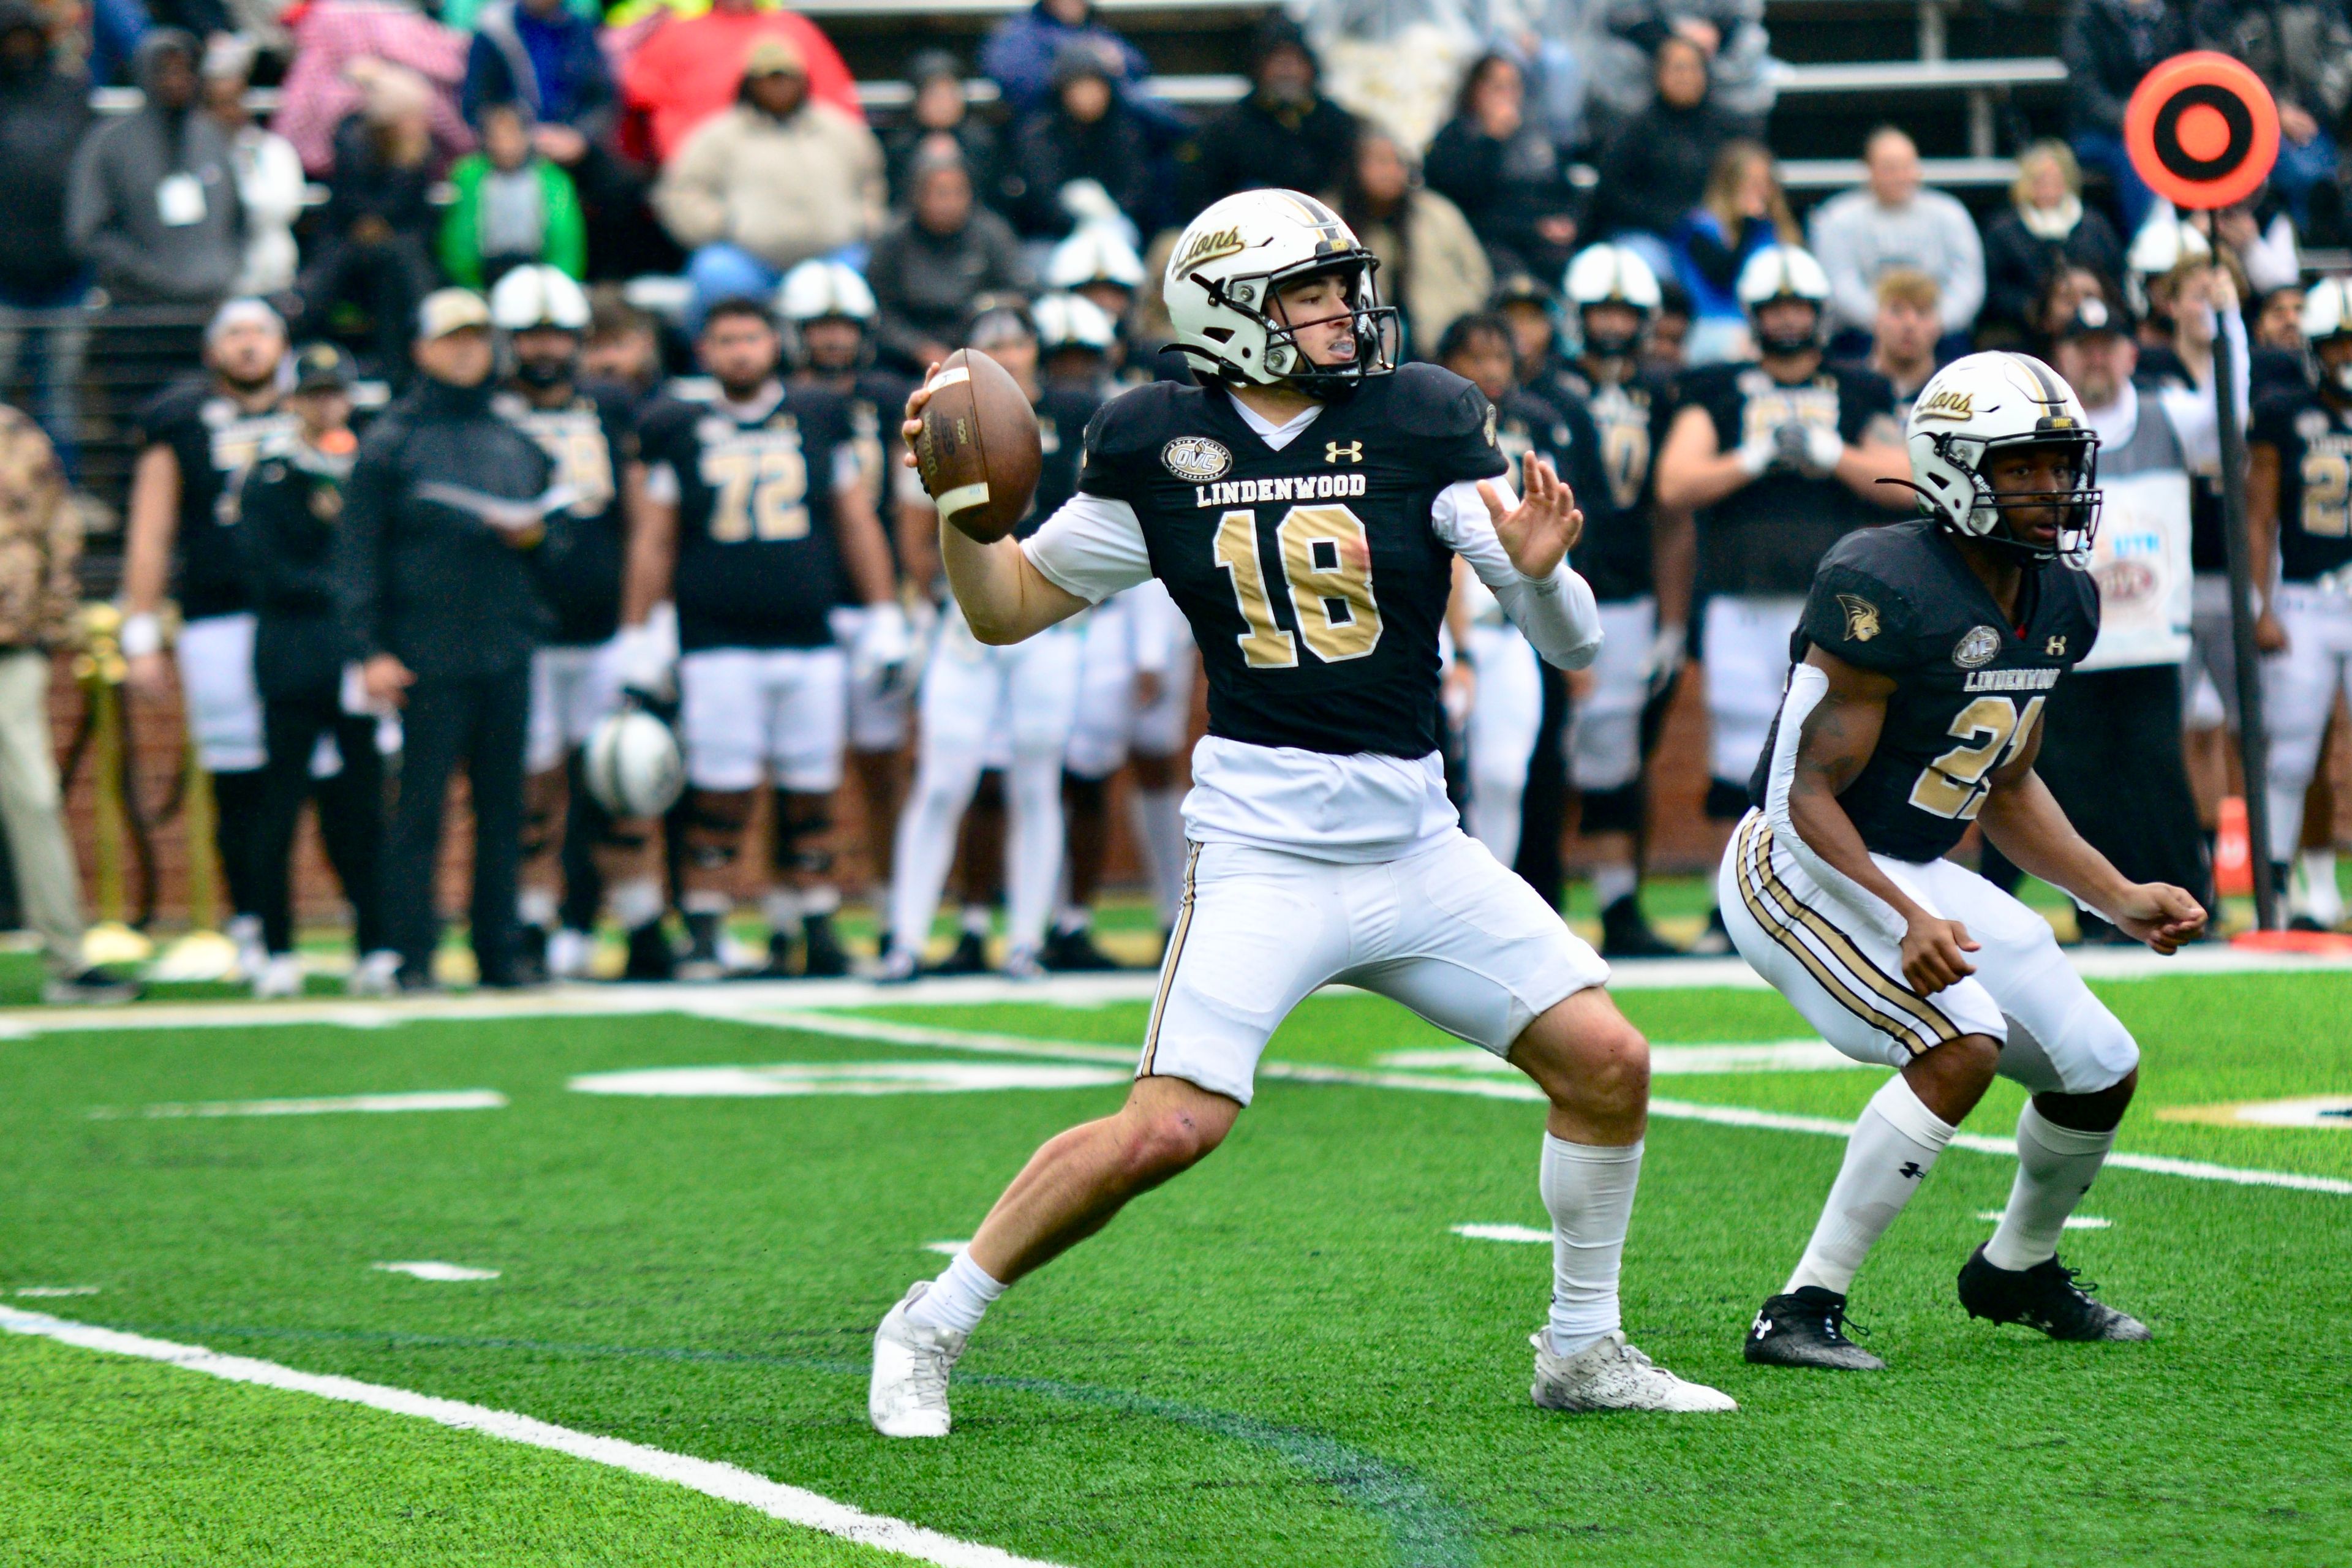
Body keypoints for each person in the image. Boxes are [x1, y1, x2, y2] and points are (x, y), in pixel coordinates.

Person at [869, 189, 1735, 1439]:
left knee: (1609, 1062)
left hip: (1416, 845)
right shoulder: (1154, 442)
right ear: (1229, 312)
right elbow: (1002, 607)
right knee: (1167, 1127)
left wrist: (1540, 579)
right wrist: (961, 514)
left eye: (1342, 285)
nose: (1342, 311)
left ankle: (1584, 1343)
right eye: (1309, 292)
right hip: (1265, 850)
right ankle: (930, 1320)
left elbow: (1575, 638)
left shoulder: (1420, 417)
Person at [1729, 349, 2203, 1370]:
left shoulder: (2063, 597)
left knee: (2099, 1069)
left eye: (2060, 465)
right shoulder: (1883, 581)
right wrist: (1906, 913)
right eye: (2023, 467)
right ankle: (1801, 1307)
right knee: (1964, 1040)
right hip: (1794, 860)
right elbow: (1800, 791)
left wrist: (2116, 894)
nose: (2053, 490)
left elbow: (2008, 780)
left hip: (1910, 865)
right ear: (1953, 467)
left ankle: (2016, 1269)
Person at [620, 296, 906, 979]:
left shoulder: (816, 413)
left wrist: (883, 610)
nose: (740, 350)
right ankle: (705, 926)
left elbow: (855, 520)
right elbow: (655, 538)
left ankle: (816, 923)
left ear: (772, 344)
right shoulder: (677, 424)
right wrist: (641, 630)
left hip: (807, 635)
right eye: (725, 339)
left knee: (813, 790)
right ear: (705, 352)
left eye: (750, 337)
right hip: (716, 638)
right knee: (722, 793)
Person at [1653, 245, 1910, 952]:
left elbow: (1909, 477)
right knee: (1741, 750)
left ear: (1821, 314)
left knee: (1835, 751)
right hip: (1741, 596)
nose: (1791, 319)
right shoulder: (1721, 386)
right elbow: (1675, 482)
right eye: (1778, 307)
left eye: (1801, 306)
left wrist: (1836, 456)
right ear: (1756, 317)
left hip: (1834, 608)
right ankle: (1727, 902)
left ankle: (1834, 900)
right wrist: (1753, 457)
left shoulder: (1857, 389)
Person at [335, 288, 560, 991]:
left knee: (503, 811)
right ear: (422, 349)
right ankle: (412, 953)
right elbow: (357, 554)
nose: (467, 351)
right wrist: (369, 647)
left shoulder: (516, 440)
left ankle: (498, 950)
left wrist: (537, 537)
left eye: (477, 338)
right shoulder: (391, 441)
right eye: (453, 339)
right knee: (419, 812)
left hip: (504, 648)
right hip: (424, 653)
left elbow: (556, 549)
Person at [877, 303, 1096, 982]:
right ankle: (905, 939)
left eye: (1018, 339)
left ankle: (1025, 940)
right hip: (966, 623)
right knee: (944, 777)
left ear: (1038, 348)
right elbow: (915, 536)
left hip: (1051, 613)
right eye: (993, 340)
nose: (1010, 351)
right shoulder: (943, 413)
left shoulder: (1077, 417)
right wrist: (938, 599)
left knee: (1037, 779)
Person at [486, 265, 670, 982]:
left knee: (621, 788)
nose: (542, 348)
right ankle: (530, 927)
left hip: (599, 631)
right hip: (521, 637)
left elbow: (642, 522)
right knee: (531, 797)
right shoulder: (488, 412)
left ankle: (644, 923)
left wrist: (638, 627)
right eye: (528, 334)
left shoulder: (610, 406)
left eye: (554, 334)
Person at [121, 298, 295, 981]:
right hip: (220, 616)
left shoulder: (320, 405)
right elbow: (151, 528)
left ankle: (373, 927)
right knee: (238, 775)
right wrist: (140, 628)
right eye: (235, 335)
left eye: (260, 332)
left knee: (335, 773)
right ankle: (251, 916)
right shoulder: (182, 420)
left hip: (308, 618)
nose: (248, 346)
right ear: (211, 351)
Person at [236, 343, 396, 1000]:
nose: (325, 405)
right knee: (279, 805)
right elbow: (270, 569)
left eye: (335, 393)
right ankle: (276, 945)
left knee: (360, 807)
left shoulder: (369, 467)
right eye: (314, 393)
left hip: (352, 659)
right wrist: (347, 588)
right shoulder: (272, 473)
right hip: (295, 656)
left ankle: (378, 942)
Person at [777, 258, 929, 925]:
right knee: (798, 768)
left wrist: (904, 599)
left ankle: (892, 900)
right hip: (803, 595)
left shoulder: (891, 396)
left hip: (876, 599)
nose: (833, 339)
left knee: (880, 762)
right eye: (819, 327)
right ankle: (799, 908)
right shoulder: (775, 401)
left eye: (843, 326)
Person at [1550, 244, 1684, 957]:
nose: (1609, 326)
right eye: (1598, 311)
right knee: (1542, 757)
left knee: (1613, 757)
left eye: (1622, 313)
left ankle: (1618, 907)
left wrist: (1674, 617)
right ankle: (1537, 900)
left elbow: (1670, 517)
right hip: (1551, 586)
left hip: (1628, 593)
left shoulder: (1663, 393)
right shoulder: (1549, 389)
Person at [1439, 311, 1604, 879]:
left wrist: (1564, 613)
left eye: (1499, 358)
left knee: (1506, 774)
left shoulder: (1536, 427)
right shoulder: (1432, 425)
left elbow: (1560, 533)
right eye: (1474, 357)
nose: (1488, 371)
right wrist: (1457, 650)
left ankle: (1491, 897)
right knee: (1442, 777)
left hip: (1513, 625)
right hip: (1447, 622)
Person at [0, 406, 137, 1003]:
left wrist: (50, 614)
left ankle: (68, 958)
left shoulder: (16, 435)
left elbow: (61, 527)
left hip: (11, 646)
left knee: (33, 796)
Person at [654, 36, 887, 336]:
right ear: (750, 84)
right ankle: (706, 365)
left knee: (874, 268)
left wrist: (863, 219)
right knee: (713, 272)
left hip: (833, 257)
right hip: (749, 262)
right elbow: (682, 192)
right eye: (768, 79)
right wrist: (720, 225)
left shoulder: (840, 131)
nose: (779, 86)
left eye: (786, 78)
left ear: (803, 80)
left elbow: (873, 181)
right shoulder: (717, 136)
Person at [2247, 276, 2352, 921]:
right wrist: (2263, 605)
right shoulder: (2285, 412)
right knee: (2291, 752)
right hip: (2306, 600)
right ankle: (2284, 891)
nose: (2346, 356)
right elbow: (2260, 517)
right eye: (2337, 344)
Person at [67, 30, 246, 308]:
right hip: (139, 305)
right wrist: (145, 271)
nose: (176, 82)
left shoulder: (212, 135)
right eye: (165, 72)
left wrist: (226, 264)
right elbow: (88, 229)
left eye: (184, 71)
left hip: (212, 298)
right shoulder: (110, 143)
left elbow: (239, 216)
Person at [296, 64, 441, 379]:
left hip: (396, 243)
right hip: (348, 237)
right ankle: (302, 344)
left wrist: (405, 167)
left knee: (404, 268)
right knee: (323, 279)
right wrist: (372, 222)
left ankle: (414, 355)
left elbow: (414, 210)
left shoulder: (419, 149)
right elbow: (347, 199)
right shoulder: (352, 135)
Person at [0, 0, 96, 467]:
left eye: (27, 37)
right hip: (4, 277)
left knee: (59, 397)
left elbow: (94, 174)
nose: (19, 48)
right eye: (9, 38)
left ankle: (67, 494)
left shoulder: (71, 91)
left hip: (66, 272)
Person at [1806, 127, 1985, 358]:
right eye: (1889, 168)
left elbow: (1968, 282)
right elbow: (1838, 284)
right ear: (1869, 169)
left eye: (1906, 166)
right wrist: (1885, 322)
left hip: (1939, 332)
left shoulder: (1951, 213)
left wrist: (1936, 321)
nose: (1899, 176)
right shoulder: (1837, 217)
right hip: (1864, 333)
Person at [619, 0, 860, 166]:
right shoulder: (673, 37)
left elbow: (841, 117)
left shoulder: (795, 31)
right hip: (705, 183)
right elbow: (637, 114)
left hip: (793, 176)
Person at [1330, 127, 1491, 363]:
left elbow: (1478, 276)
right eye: (1381, 162)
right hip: (1359, 354)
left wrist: (1461, 326)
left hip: (1442, 347)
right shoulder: (1329, 220)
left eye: (1399, 162)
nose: (1391, 171)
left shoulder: (1439, 214)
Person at [1176, 15, 1359, 216]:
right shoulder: (1228, 127)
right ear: (1258, 67)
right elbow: (1197, 189)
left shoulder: (1338, 123)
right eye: (1278, 61)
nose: (1287, 71)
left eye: (1295, 61)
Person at [867, 152, 1030, 375]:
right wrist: (918, 348)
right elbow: (879, 310)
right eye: (941, 193)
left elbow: (1015, 297)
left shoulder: (992, 236)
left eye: (959, 193)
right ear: (917, 195)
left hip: (984, 353)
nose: (950, 203)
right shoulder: (893, 241)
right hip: (908, 360)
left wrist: (983, 348)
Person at [1423, 51, 1581, 281]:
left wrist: (1569, 220)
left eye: (1513, 87)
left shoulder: (1536, 135)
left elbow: (1563, 186)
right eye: (1498, 88)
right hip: (1490, 241)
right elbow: (1467, 199)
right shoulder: (1457, 138)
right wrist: (1492, 141)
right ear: (1476, 91)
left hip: (1546, 240)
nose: (1507, 96)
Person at [1588, 37, 1738, 263]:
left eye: (1693, 68)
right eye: (1678, 69)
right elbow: (1613, 196)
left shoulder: (1729, 129)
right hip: (1649, 234)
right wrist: (1673, 222)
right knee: (1642, 263)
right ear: (1659, 74)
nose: (1686, 77)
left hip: (1712, 231)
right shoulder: (1634, 131)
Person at [1980, 141, 2127, 352]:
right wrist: (2036, 309)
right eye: (2040, 181)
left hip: (2093, 325)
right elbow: (1996, 290)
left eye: (2056, 181)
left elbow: (2115, 275)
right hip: (2025, 331)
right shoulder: (2003, 230)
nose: (2048, 188)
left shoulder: (2094, 225)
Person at [2062, 0, 2193, 235]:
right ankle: (2149, 244)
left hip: (2163, 126)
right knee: (2136, 156)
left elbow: (2187, 74)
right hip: (2103, 132)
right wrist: (2132, 118)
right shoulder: (2087, 16)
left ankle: (2199, 233)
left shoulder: (2171, 16)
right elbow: (2085, 89)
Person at [1006, 38, 1156, 242]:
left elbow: (1137, 191)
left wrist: (1108, 215)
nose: (1091, 96)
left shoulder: (1125, 131)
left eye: (1097, 86)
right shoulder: (1039, 134)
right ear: (1063, 91)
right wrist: (1079, 223)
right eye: (1081, 87)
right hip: (1052, 236)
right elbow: (1041, 198)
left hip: (1116, 229)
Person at [1665, 139, 1796, 365]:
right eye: (1751, 184)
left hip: (1770, 324)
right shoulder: (1700, 228)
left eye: (1765, 183)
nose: (1761, 193)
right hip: (1714, 325)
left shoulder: (1776, 230)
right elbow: (1722, 277)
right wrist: (1748, 227)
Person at [439, 101, 587, 290]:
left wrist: (561, 281)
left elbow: (567, 238)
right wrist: (466, 280)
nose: (504, 145)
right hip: (484, 273)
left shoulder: (552, 179)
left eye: (511, 136)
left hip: (539, 271)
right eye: (496, 137)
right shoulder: (468, 177)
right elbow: (456, 237)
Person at [202, 37, 307, 300]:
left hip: (272, 279)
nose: (226, 112)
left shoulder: (272, 149)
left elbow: (283, 207)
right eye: (217, 105)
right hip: (210, 285)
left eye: (232, 101)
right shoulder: (192, 153)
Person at [981, 0, 1153, 124]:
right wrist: (1072, 74)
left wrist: (1114, 61)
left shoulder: (1094, 30)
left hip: (1103, 126)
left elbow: (1138, 64)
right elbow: (1012, 77)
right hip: (1047, 123)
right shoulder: (1021, 32)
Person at [884, 50, 1005, 214]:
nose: (942, 104)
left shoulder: (982, 139)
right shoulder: (900, 143)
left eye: (949, 94)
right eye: (934, 96)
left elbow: (994, 194)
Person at [1858, 268, 1943, 423]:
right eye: (1897, 311)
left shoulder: (1953, 394)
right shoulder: (1848, 388)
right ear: (1875, 320)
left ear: (1939, 326)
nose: (1910, 324)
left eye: (1922, 312)